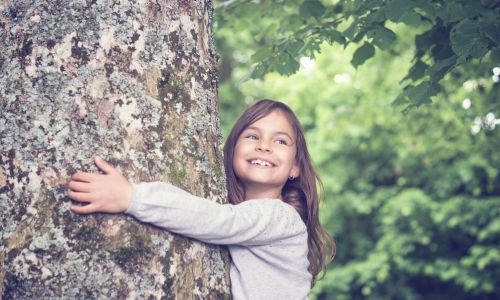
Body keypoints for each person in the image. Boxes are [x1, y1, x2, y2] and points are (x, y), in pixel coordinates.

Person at [68, 99, 335, 299]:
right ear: (232, 151)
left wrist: (131, 197)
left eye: (280, 141)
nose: (264, 145)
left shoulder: (282, 218)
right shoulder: (248, 215)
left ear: (295, 168)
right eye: (253, 136)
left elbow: (216, 221)